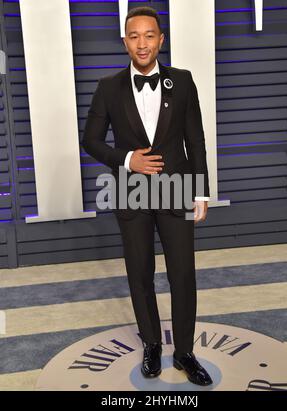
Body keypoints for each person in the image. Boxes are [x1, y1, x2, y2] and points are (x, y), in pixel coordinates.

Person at [81, 6, 213, 386]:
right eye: (134, 36)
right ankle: (152, 344)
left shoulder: (183, 81)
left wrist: (201, 191)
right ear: (125, 42)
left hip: (177, 190)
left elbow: (196, 141)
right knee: (140, 275)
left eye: (149, 35)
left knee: (183, 275)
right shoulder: (108, 87)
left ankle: (185, 352)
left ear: (161, 40)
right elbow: (89, 141)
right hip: (132, 191)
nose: (142, 43)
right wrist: (126, 159)